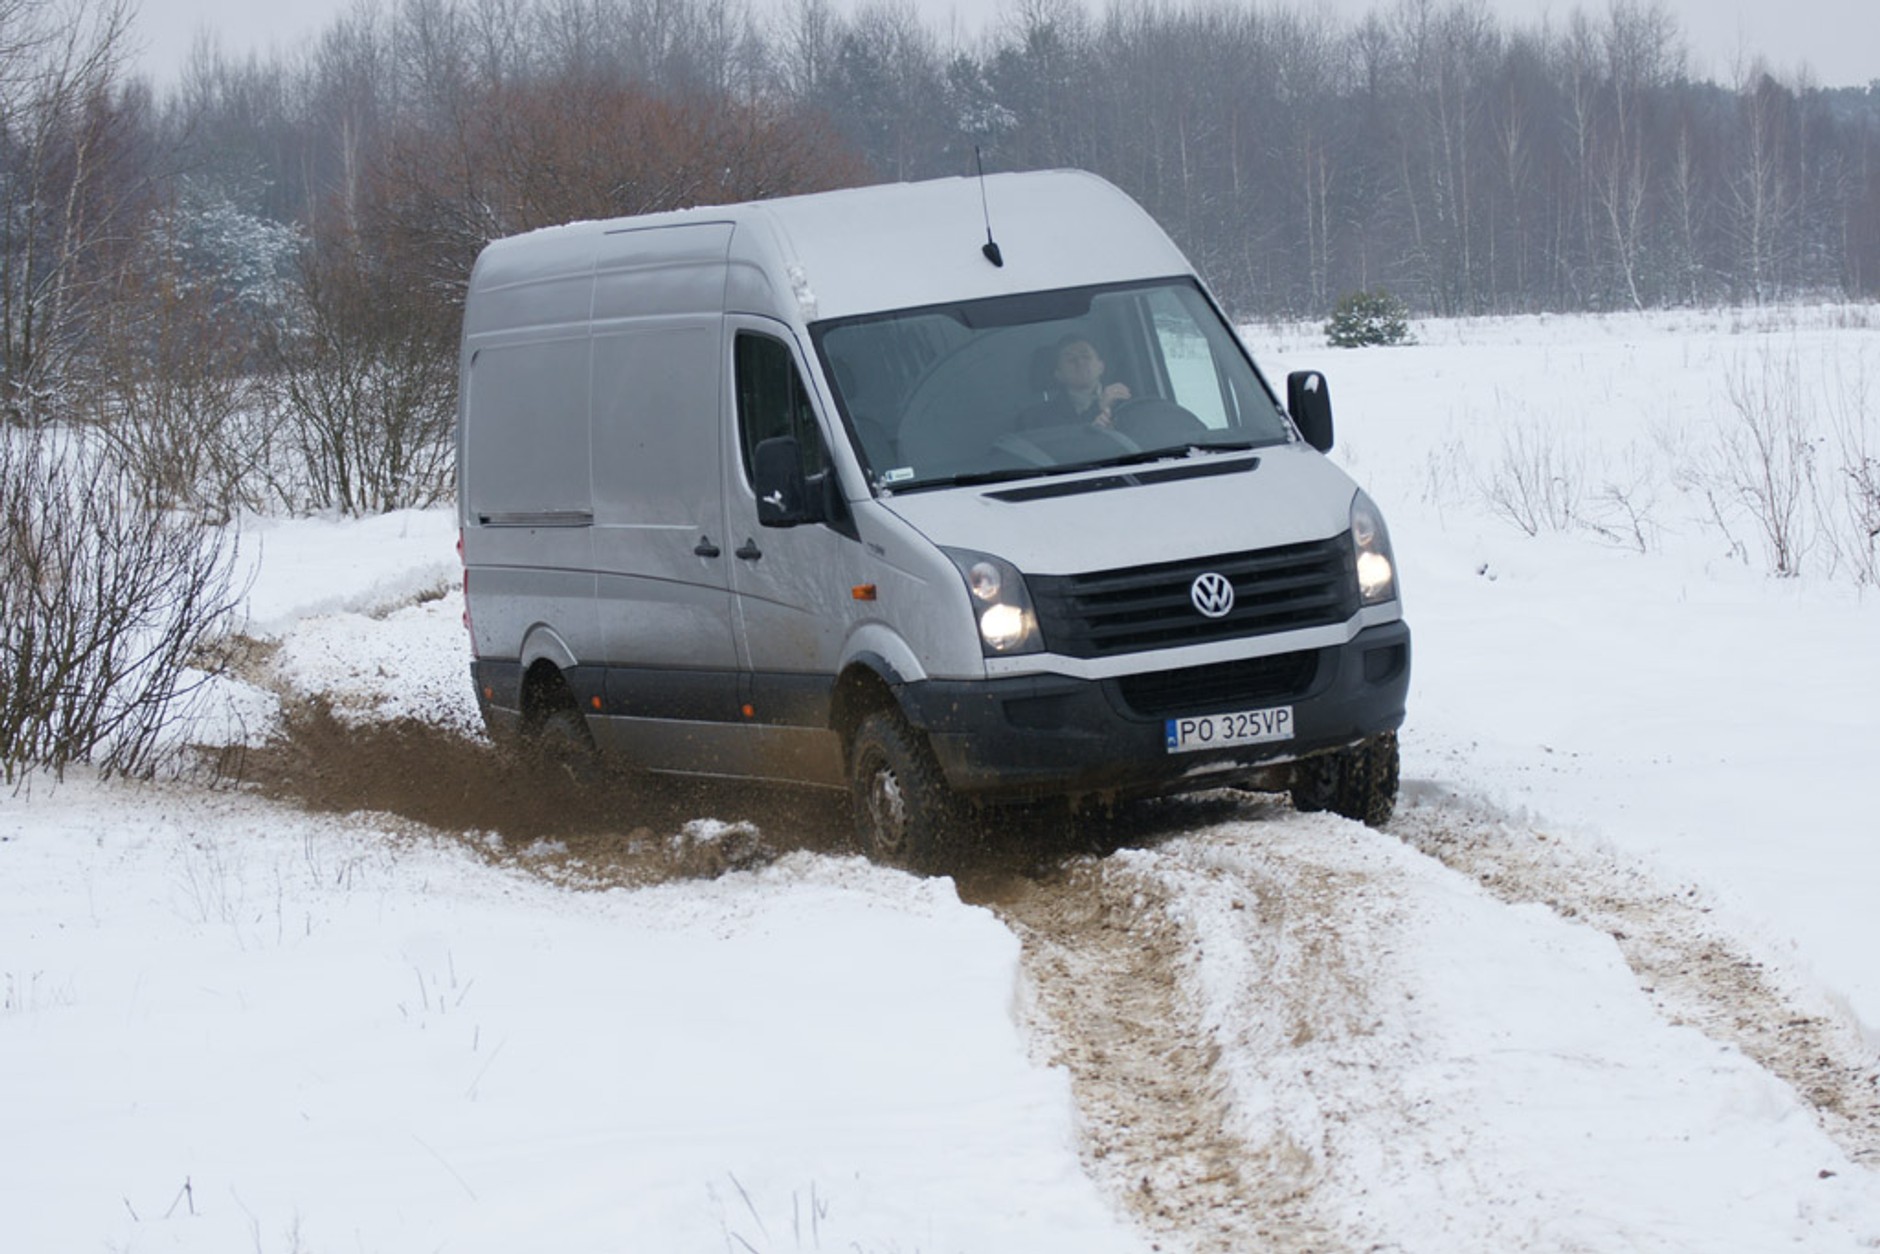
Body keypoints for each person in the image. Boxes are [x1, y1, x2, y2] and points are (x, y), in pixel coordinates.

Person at [1018, 336, 1131, 431]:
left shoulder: (1125, 402)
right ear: (1058, 374)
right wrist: (1097, 409)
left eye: (1086, 356)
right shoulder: (1038, 420)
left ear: (1101, 367)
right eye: (1071, 359)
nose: (1080, 362)